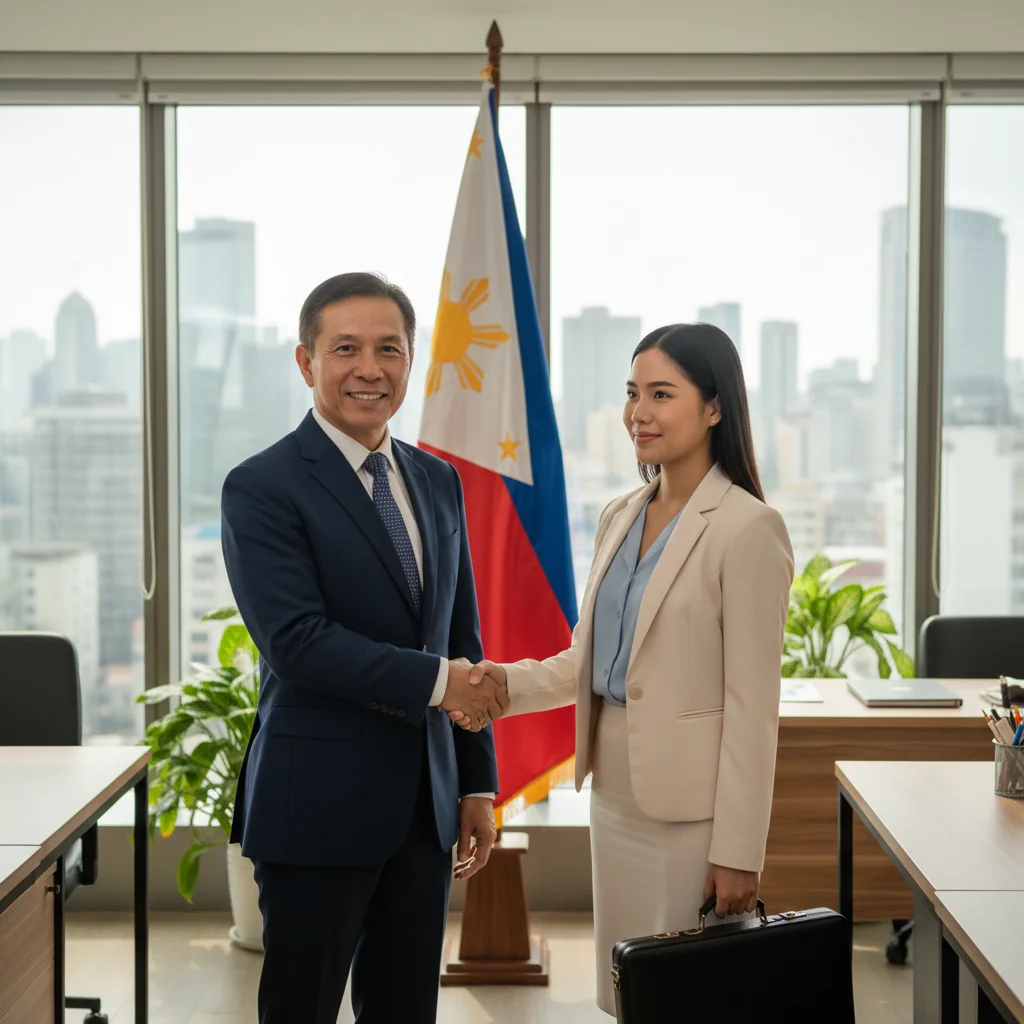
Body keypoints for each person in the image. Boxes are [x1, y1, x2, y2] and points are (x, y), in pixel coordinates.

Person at [452, 322, 795, 1016]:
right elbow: (590, 659)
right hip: (614, 793)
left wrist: (738, 852)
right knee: (628, 987)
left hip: (692, 811)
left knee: (686, 994)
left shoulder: (747, 527)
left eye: (662, 394)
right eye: (632, 393)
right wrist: (501, 686)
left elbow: (753, 709)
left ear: (715, 406)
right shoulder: (619, 514)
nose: (639, 412)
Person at [221, 272, 508, 1024]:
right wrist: (443, 685)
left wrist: (476, 782)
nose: (369, 368)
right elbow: (298, 644)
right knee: (301, 1010)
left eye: (390, 349)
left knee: (406, 1010)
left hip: (425, 809)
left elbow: (461, 637)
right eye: (345, 348)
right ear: (305, 362)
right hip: (316, 804)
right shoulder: (262, 486)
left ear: (411, 362)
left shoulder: (437, 480)